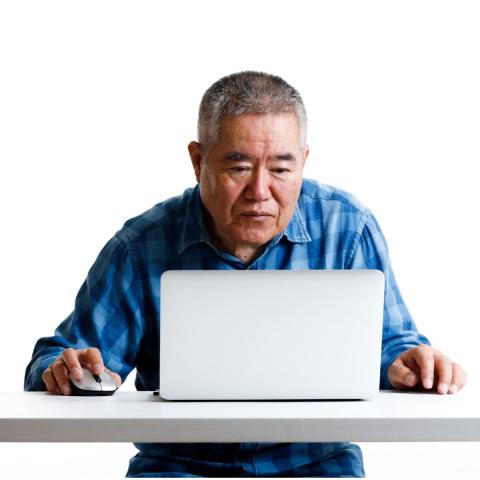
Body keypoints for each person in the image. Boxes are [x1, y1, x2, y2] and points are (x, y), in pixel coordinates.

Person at [24, 71, 467, 478]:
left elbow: (392, 344)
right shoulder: (142, 245)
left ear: (304, 162)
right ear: (198, 162)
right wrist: (66, 370)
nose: (260, 192)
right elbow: (62, 357)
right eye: (238, 168)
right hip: (180, 465)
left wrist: (411, 363)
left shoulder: (348, 229)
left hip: (316, 463)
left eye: (280, 168)